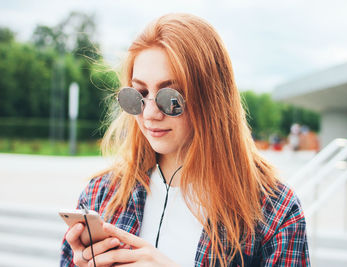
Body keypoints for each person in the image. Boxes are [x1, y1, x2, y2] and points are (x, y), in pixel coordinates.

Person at [61, 13, 310, 267]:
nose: (149, 114)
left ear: (212, 99)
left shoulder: (274, 210)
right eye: (139, 94)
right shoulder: (101, 194)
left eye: (171, 97)